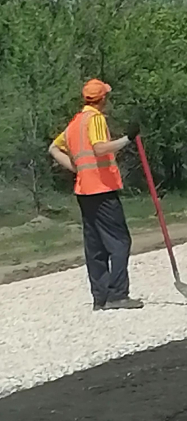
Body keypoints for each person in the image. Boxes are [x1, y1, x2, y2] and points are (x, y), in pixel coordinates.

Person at [49, 80, 143, 310]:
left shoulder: (75, 123)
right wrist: (127, 139)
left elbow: (53, 148)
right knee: (120, 241)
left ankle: (100, 298)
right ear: (102, 99)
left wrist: (77, 168)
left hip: (84, 190)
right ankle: (118, 295)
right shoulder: (95, 119)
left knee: (96, 246)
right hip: (102, 188)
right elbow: (100, 148)